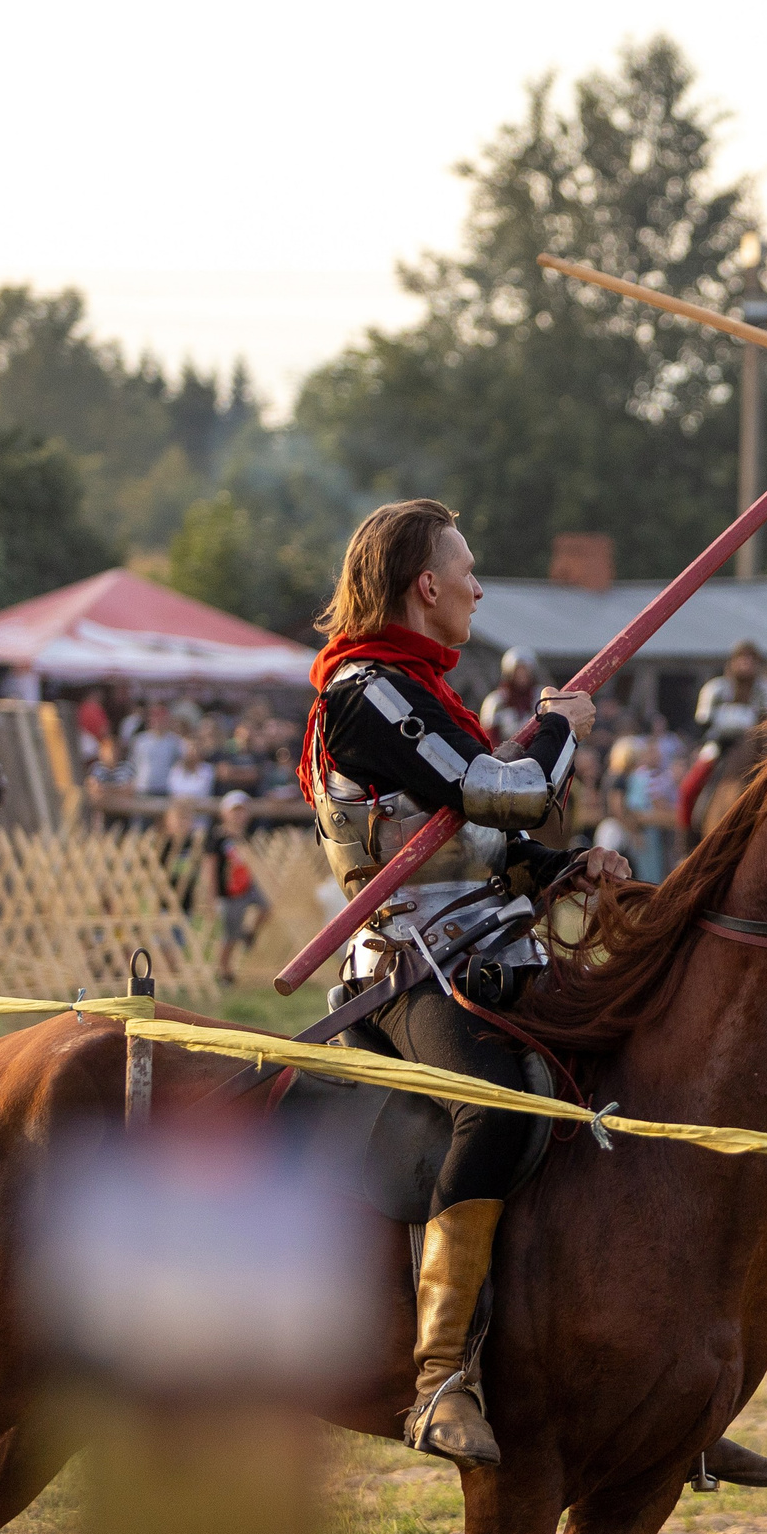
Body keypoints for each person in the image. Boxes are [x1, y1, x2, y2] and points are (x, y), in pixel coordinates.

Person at [298, 498, 623, 1469]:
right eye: (468, 571)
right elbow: (506, 790)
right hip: (409, 969)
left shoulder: (425, 692)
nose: (481, 588)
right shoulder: (367, 692)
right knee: (493, 1104)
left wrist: (563, 868)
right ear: (425, 586)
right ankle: (441, 1380)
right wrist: (559, 727)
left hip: (487, 949)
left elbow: (490, 843)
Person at [676, 641, 767, 832]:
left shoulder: (766, 689)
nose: (746, 664)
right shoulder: (715, 689)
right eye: (742, 659)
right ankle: (686, 844)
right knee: (688, 789)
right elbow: (702, 722)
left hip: (756, 750)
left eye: (751, 660)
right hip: (719, 746)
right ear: (733, 662)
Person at [207, 791, 270, 985]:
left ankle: (248, 934)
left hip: (246, 885)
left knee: (266, 907)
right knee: (229, 935)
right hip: (229, 891)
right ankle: (224, 971)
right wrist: (212, 893)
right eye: (234, 811)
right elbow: (210, 865)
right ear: (225, 813)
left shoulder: (245, 836)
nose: (238, 816)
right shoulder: (218, 838)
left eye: (242, 812)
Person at [479, 647, 545, 746]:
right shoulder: (496, 700)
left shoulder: (541, 697)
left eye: (525, 671)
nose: (521, 675)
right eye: (518, 671)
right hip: (503, 755)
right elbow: (489, 735)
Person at [128, 703, 187, 796]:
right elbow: (132, 764)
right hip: (142, 788)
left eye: (162, 718)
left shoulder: (175, 741)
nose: (158, 721)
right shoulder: (140, 741)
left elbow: (179, 764)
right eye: (155, 718)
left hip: (165, 789)